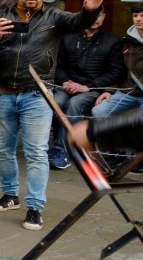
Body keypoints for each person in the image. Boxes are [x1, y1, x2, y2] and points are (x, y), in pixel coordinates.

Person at [0, 0, 108, 230]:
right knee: (3, 150)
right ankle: (10, 195)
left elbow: (79, 21)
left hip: (36, 94)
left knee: (36, 152)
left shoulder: (54, 16)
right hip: (1, 92)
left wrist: (91, 9)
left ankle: (35, 206)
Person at [47, 10, 123, 170]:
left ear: (104, 17)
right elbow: (57, 64)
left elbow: (115, 72)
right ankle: (53, 146)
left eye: (100, 15)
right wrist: (65, 80)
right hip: (67, 85)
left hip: (93, 88)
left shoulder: (112, 41)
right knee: (56, 102)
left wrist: (87, 86)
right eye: (93, 15)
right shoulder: (68, 38)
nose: (95, 19)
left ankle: (64, 150)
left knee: (75, 104)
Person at [92, 2, 143, 124]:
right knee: (99, 111)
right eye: (135, 16)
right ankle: (107, 143)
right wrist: (109, 90)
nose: (138, 19)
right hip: (127, 93)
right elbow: (119, 71)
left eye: (142, 15)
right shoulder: (126, 42)